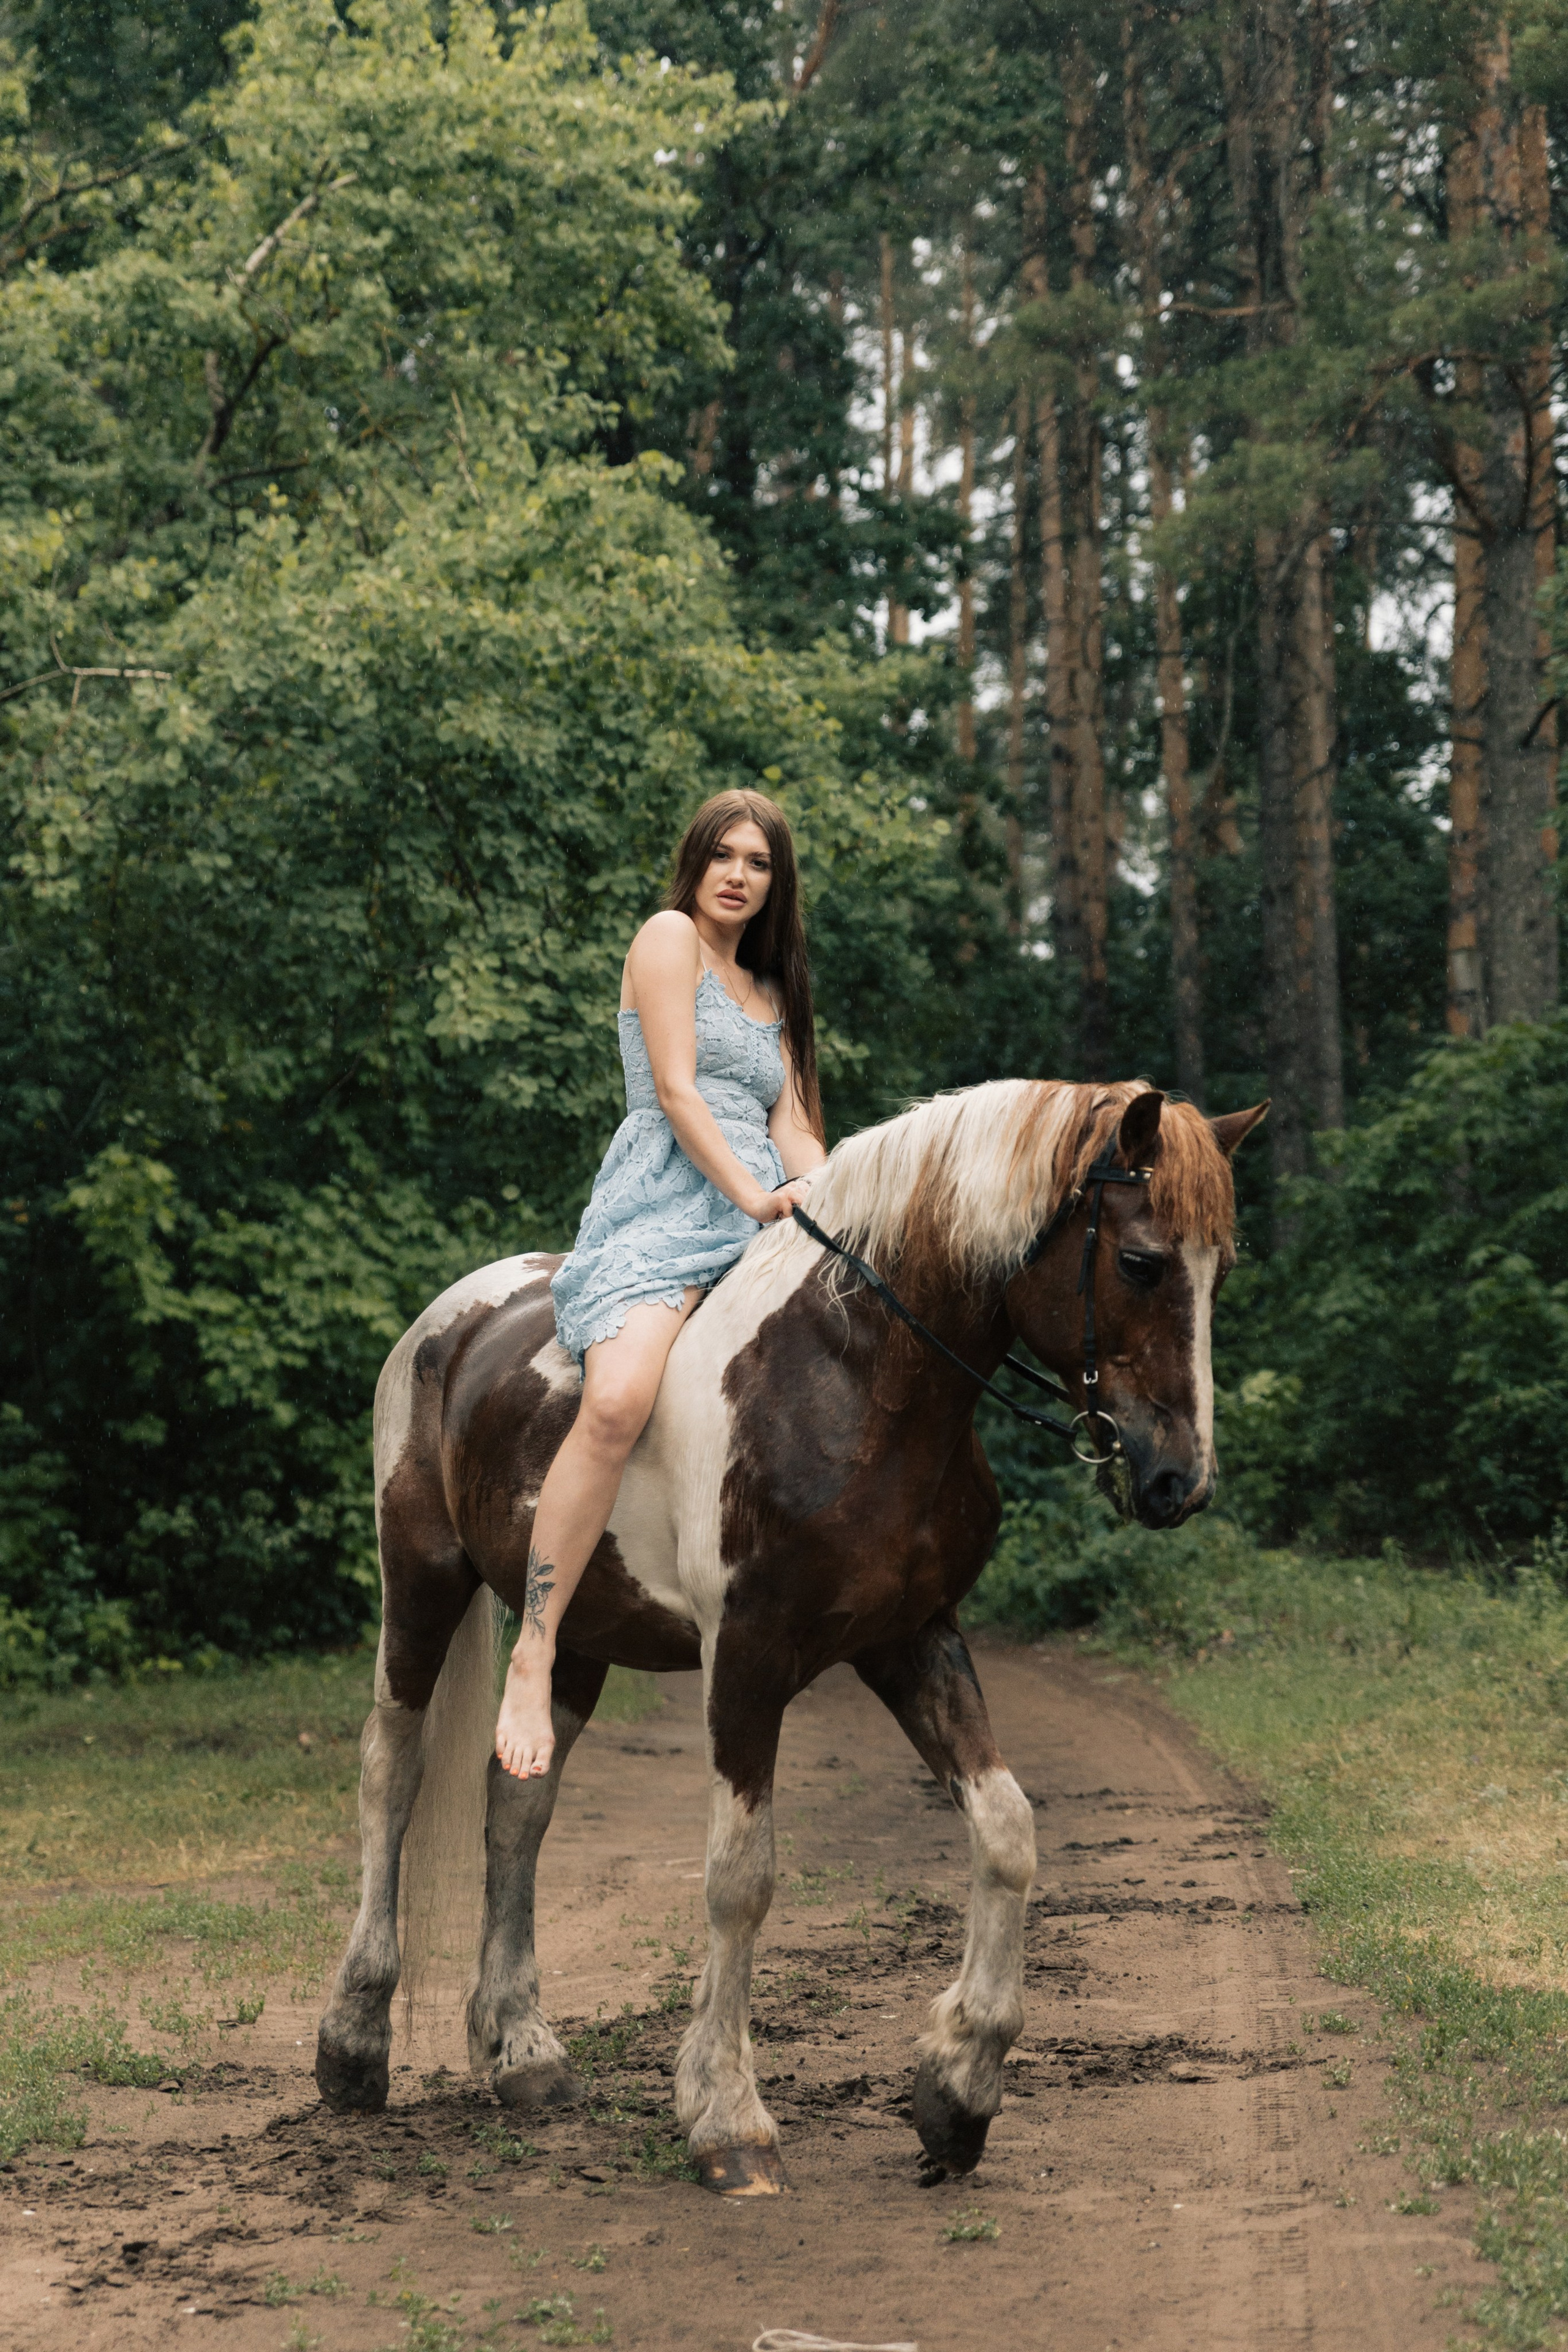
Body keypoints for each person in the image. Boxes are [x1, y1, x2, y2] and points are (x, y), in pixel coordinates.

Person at [494, 790, 829, 1779]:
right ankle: (537, 1644)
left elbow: (797, 1125)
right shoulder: (668, 938)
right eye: (723, 855)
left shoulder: (779, 990)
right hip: (670, 1200)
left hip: (767, 1208)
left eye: (758, 863)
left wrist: (811, 1187)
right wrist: (752, 1197)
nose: (738, 875)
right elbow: (679, 1090)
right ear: (696, 862)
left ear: (778, 881)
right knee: (619, 1399)